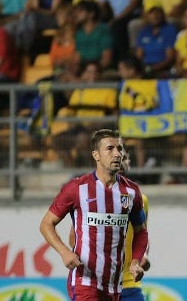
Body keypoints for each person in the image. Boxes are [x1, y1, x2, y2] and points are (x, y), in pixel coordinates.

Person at [40, 129, 148, 301]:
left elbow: (141, 232)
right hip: (85, 281)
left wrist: (135, 262)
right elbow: (46, 224)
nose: (117, 154)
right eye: (110, 149)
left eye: (119, 149)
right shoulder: (77, 188)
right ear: (96, 155)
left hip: (114, 284)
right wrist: (64, 252)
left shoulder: (131, 191)